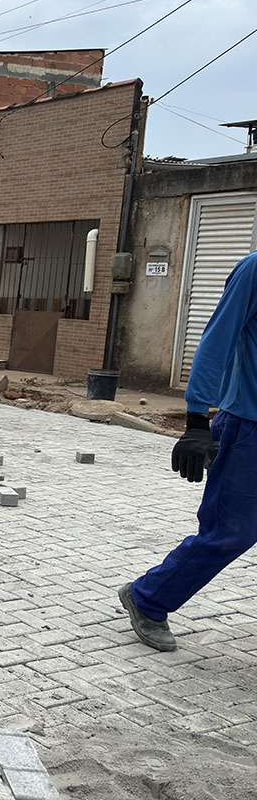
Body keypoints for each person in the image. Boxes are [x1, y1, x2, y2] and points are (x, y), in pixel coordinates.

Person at [120, 249, 257, 652]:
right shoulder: (254, 269)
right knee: (230, 533)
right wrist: (197, 420)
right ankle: (148, 598)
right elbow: (217, 341)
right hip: (249, 425)